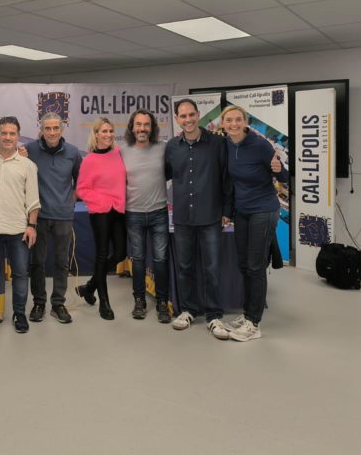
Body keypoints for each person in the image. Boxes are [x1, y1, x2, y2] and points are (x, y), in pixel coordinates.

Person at [165, 98, 233, 340]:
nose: (188, 120)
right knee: (185, 267)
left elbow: (227, 178)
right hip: (183, 217)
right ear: (177, 119)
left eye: (191, 114)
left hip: (210, 216)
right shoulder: (172, 147)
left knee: (212, 268)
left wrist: (227, 210)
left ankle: (214, 315)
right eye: (183, 116)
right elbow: (163, 175)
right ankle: (188, 310)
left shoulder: (217, 143)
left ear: (198, 115)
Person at [221, 104, 288, 342]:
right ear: (223, 123)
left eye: (238, 119)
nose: (234, 124)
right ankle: (247, 314)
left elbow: (285, 177)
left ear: (245, 121)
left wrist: (279, 169)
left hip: (264, 209)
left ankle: (254, 323)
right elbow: (228, 182)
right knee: (243, 265)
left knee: (255, 265)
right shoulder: (226, 145)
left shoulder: (260, 145)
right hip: (242, 212)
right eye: (229, 120)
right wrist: (228, 211)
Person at [0, 116, 40, 335]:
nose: (8, 137)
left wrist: (32, 225)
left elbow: (33, 200)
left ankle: (19, 313)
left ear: (18, 136)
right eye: (3, 133)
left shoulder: (28, 165)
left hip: (18, 230)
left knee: (21, 274)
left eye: (12, 133)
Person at [23, 113, 82, 324]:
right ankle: (39, 302)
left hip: (63, 217)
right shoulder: (29, 150)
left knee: (61, 262)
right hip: (38, 217)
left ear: (62, 128)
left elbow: (80, 182)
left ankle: (58, 304)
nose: (52, 132)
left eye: (56, 128)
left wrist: (69, 200)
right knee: (37, 262)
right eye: (47, 128)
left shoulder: (73, 153)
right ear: (41, 128)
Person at [120, 109, 170, 323]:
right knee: (138, 260)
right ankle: (139, 300)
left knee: (160, 259)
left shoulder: (163, 148)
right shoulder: (122, 151)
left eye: (146, 125)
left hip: (159, 212)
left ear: (152, 128)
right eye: (138, 124)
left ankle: (162, 302)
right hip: (133, 214)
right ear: (132, 127)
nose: (142, 128)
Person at [75, 118, 126, 320]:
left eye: (110, 130)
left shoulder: (118, 154)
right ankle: (104, 303)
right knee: (102, 254)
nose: (108, 134)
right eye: (103, 131)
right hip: (101, 212)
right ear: (96, 134)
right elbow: (82, 189)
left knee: (121, 253)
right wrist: (102, 201)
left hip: (119, 210)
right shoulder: (89, 160)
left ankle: (89, 287)